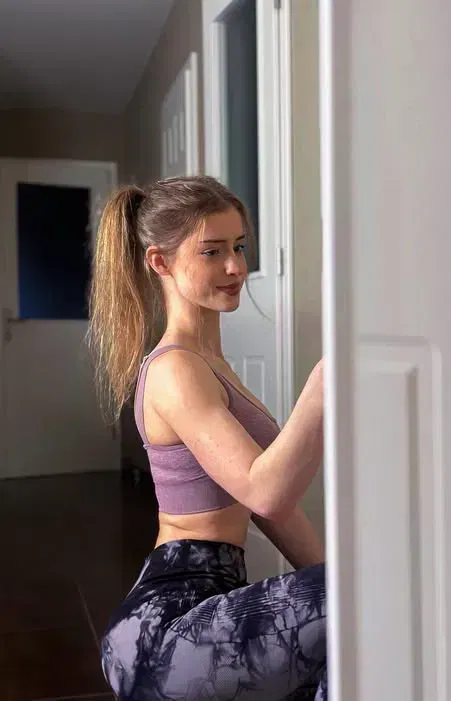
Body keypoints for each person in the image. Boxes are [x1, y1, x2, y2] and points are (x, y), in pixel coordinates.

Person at [89, 175, 326, 700]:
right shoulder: (175, 369)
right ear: (161, 262)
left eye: (238, 247)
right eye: (212, 251)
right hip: (168, 625)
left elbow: (272, 511)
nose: (236, 267)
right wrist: (324, 384)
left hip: (211, 601)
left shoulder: (212, 365)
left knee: (361, 612)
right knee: (365, 598)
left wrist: (331, 579)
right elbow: (266, 492)